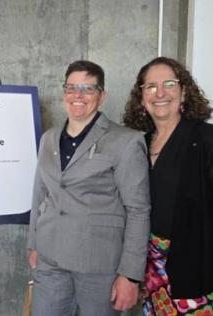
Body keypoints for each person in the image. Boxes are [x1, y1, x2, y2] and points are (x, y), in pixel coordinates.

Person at [27, 60, 151, 315]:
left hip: (99, 264)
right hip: (50, 258)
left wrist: (130, 275)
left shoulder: (126, 141)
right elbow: (40, 194)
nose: (78, 96)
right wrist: (34, 243)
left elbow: (138, 210)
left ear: (102, 95)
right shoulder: (48, 138)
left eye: (87, 88)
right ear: (64, 93)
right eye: (71, 88)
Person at [123, 57, 213, 315]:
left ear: (184, 92)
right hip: (149, 270)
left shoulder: (206, 140)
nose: (160, 93)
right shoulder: (138, 144)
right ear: (141, 97)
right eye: (150, 86)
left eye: (169, 84)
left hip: (195, 267)